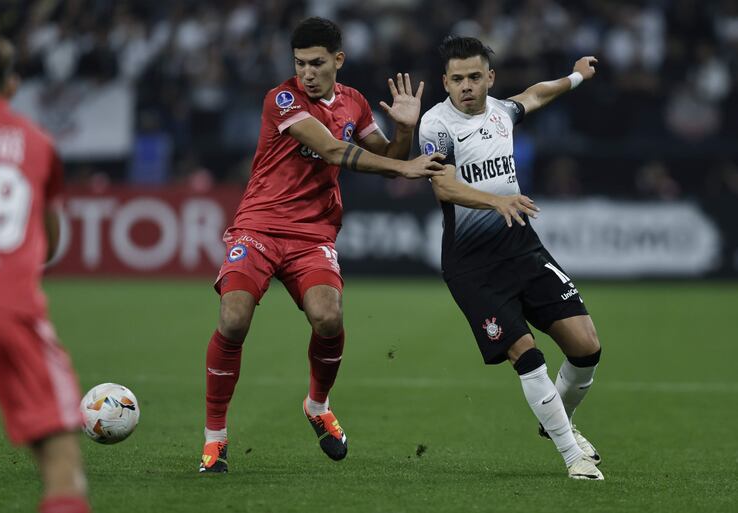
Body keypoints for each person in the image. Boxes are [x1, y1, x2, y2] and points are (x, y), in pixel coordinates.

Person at [199, 17, 444, 474]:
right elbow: (333, 151)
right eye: (300, 63)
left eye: (316, 63)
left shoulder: (354, 103)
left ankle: (317, 405)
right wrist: (406, 168)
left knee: (328, 317)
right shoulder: (282, 98)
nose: (307, 72)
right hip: (260, 225)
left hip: (313, 232)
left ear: (338, 60)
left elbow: (388, 158)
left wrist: (406, 133)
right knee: (233, 319)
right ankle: (215, 437)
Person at [418, 36, 604, 480]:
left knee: (587, 347)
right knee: (527, 354)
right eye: (457, 78)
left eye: (475, 77)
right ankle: (572, 456)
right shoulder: (436, 125)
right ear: (445, 81)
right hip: (472, 264)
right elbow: (442, 186)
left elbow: (536, 93)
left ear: (490, 78)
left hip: (522, 246)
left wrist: (577, 75)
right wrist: (494, 201)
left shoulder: (501, 112)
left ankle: (556, 420)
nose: (466, 86)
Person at [0, 31, 90, 511]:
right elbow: (50, 243)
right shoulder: (37, 143)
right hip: (8, 310)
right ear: (13, 83)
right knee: (60, 460)